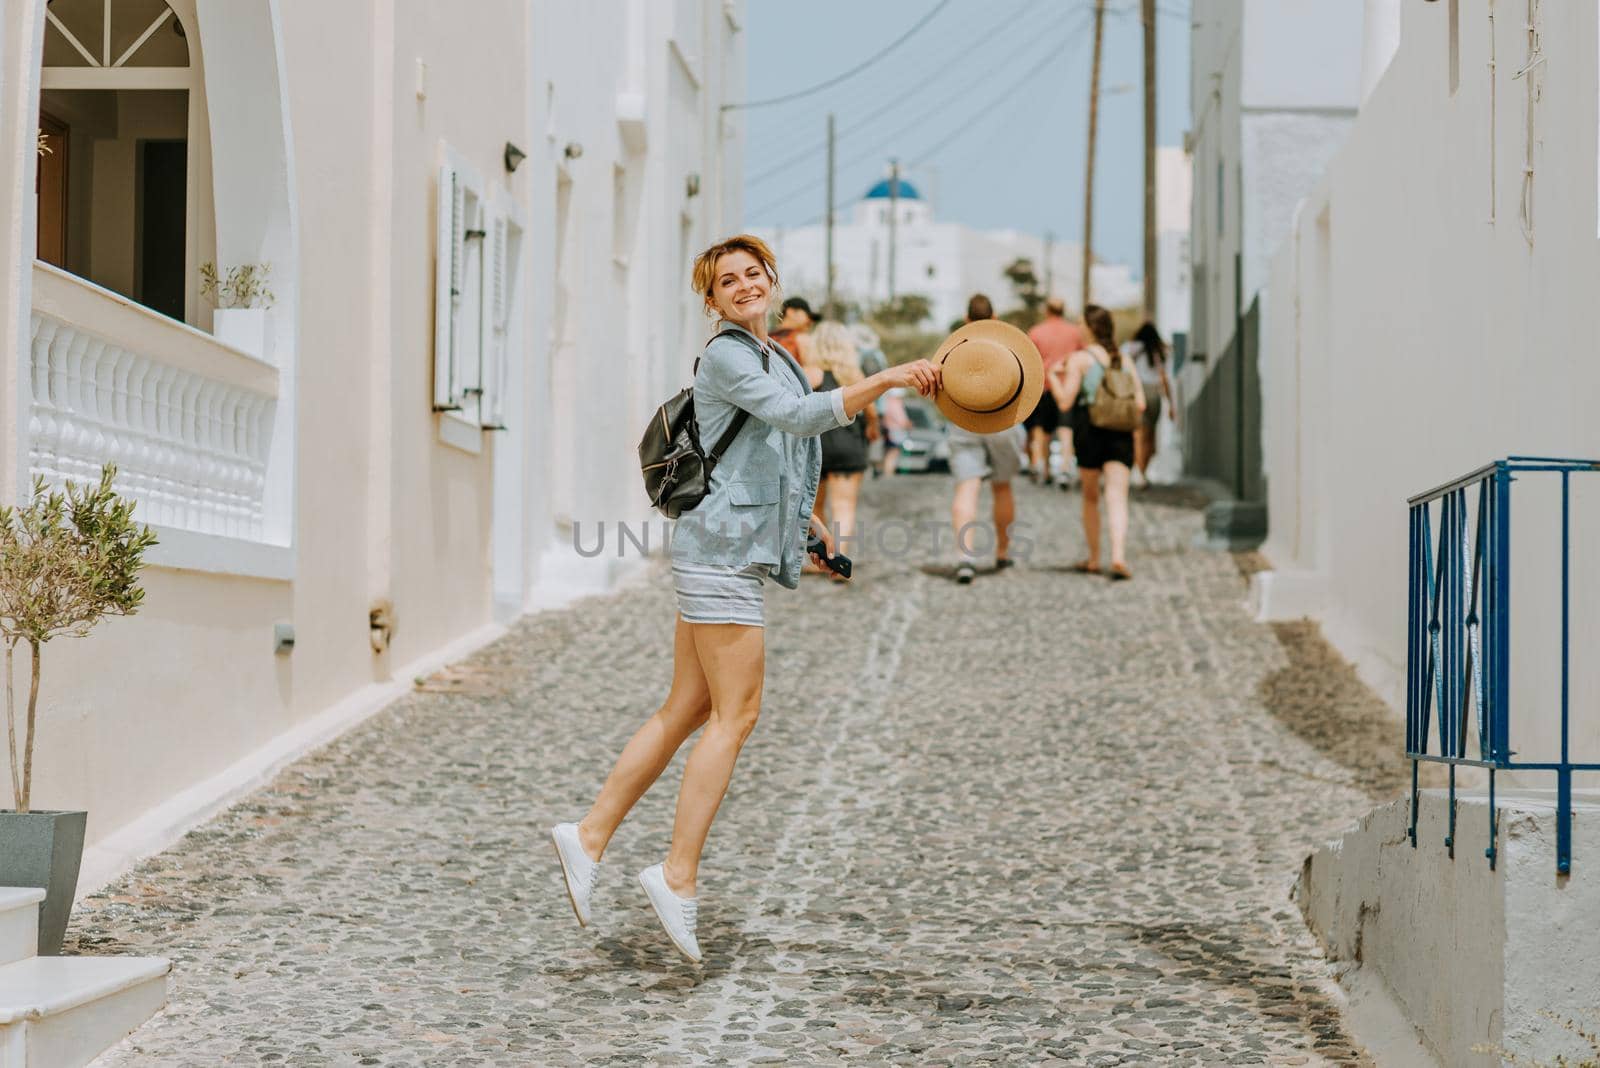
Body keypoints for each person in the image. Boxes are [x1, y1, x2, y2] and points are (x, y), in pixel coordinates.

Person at [550, 235, 940, 962]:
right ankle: (677, 876)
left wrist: (812, 525)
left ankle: (590, 833)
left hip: (722, 548)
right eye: (726, 281)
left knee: (689, 709)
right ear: (711, 299)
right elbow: (800, 419)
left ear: (771, 279)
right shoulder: (731, 354)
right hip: (721, 557)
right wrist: (885, 379)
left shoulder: (775, 355)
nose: (742, 286)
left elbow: (777, 452)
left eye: (752, 275)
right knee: (738, 715)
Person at [1046, 304, 1145, 580]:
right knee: (1117, 497)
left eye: (1080, 323)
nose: (1077, 327)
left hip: (1090, 431)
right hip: (1121, 433)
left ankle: (1093, 558)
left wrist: (1053, 375)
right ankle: (1118, 556)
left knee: (1091, 497)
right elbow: (1140, 402)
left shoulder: (1080, 359)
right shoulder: (1123, 359)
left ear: (1090, 328)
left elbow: (1065, 401)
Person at [946, 294, 1024, 585]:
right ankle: (1003, 552)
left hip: (965, 420)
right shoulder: (1007, 344)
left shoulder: (956, 345)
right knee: (1002, 488)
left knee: (967, 489)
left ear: (967, 319)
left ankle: (965, 558)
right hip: (1002, 422)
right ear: (995, 317)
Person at [807, 322, 878, 574]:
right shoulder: (853, 374)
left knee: (815, 507)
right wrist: (873, 428)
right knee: (844, 507)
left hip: (817, 448)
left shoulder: (809, 373)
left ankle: (821, 560)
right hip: (849, 446)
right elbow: (870, 411)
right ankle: (839, 562)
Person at [1023, 297, 1083, 487]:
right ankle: (1065, 469)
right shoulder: (1075, 333)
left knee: (1044, 430)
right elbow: (1082, 356)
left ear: (1047, 311)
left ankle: (1046, 470)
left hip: (1044, 386)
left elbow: (1029, 360)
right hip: (1068, 385)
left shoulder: (1036, 332)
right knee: (1066, 429)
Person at [1121, 320, 1175, 489]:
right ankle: (1143, 470)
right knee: (1150, 434)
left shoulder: (1130, 347)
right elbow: (1165, 379)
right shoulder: (1161, 349)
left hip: (1137, 391)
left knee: (1138, 434)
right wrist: (1171, 404)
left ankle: (1138, 472)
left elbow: (1122, 369)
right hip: (1155, 393)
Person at [769, 296, 816, 363]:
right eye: (808, 315)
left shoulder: (765, 337)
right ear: (791, 312)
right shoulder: (801, 339)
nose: (810, 321)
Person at [878, 387, 911, 478]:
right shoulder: (895, 403)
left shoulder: (887, 402)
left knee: (888, 453)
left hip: (889, 430)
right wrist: (907, 424)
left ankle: (886, 472)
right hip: (895, 432)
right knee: (893, 453)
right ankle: (888, 473)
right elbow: (900, 418)